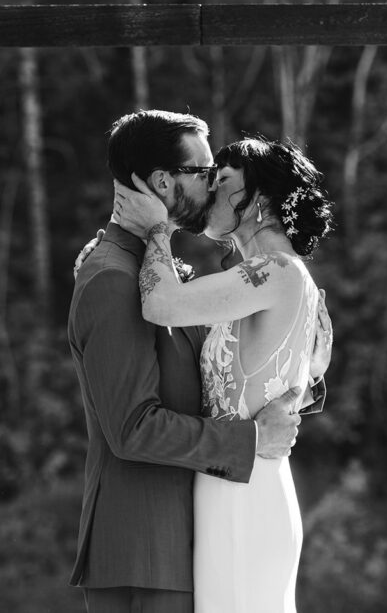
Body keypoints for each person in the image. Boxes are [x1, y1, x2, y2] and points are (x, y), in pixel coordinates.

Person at [68, 110, 330, 613]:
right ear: (163, 181)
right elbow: (132, 429)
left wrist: (287, 402)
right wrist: (252, 438)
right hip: (146, 544)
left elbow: (280, 361)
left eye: (219, 177)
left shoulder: (245, 273)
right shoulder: (113, 277)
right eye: (203, 173)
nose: (210, 187)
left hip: (210, 516)